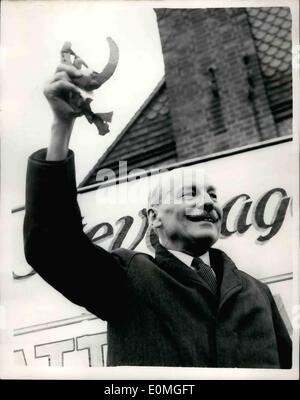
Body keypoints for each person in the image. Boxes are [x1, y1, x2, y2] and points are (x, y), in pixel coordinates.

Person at [24, 63, 292, 368]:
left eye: (213, 195)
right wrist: (61, 126)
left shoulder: (259, 294)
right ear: (154, 217)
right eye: (189, 194)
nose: (207, 203)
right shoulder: (128, 279)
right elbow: (52, 247)